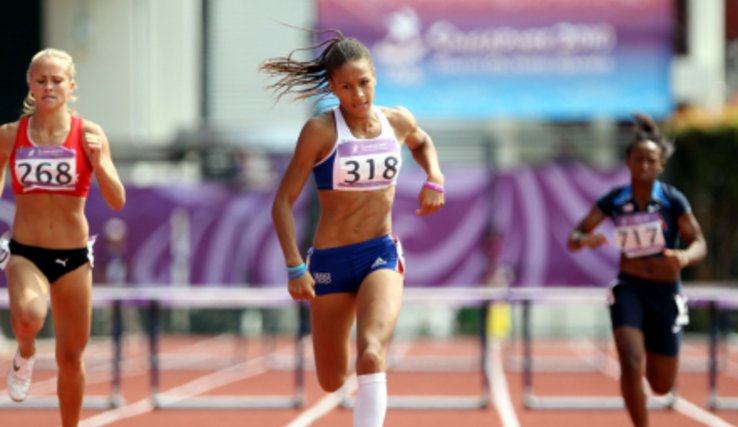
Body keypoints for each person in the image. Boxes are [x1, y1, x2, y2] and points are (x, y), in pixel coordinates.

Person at [262, 29, 444, 427]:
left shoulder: (397, 120)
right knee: (331, 379)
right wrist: (295, 266)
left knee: (372, 353)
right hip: (330, 261)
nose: (358, 95)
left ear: (375, 77)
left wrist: (435, 178)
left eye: (364, 83)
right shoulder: (321, 132)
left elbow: (422, 141)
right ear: (332, 88)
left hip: (379, 252)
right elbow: (282, 203)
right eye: (346, 87)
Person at [0, 48, 126, 426]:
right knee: (29, 316)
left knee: (71, 361)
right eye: (41, 80)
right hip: (26, 252)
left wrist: (101, 161)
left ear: (72, 87)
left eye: (57, 80)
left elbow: (117, 199)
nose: (49, 86)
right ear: (30, 85)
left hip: (73, 258)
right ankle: (24, 353)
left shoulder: (88, 133)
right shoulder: (9, 135)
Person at [567, 113, 706, 427]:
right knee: (630, 363)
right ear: (628, 162)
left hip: (666, 293)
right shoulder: (615, 200)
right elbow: (573, 237)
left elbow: (698, 241)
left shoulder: (673, 200)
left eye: (651, 160)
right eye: (638, 159)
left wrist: (684, 257)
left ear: (661, 165)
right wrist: (586, 239)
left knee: (661, 384)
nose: (644, 166)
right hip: (629, 288)